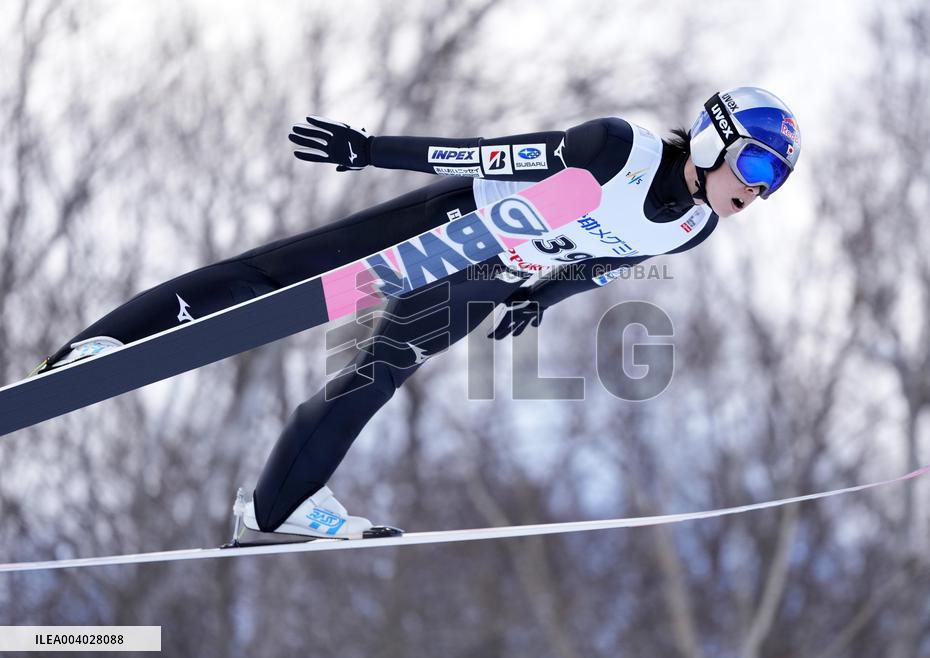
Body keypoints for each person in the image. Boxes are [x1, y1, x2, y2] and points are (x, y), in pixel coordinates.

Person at [31, 86, 801, 539]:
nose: (759, 190)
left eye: (776, 182)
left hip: (494, 277)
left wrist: (542, 297)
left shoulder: (694, 226)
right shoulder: (617, 149)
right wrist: (370, 150)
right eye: (758, 165)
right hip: (459, 220)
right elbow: (488, 154)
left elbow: (603, 263)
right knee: (278, 272)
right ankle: (97, 347)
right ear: (711, 136)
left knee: (370, 380)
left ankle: (278, 510)